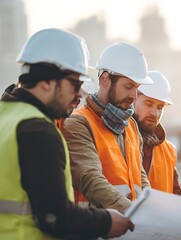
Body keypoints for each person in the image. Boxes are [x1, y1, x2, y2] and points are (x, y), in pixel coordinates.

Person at [0, 28, 133, 239]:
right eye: (75, 83)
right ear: (46, 82)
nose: (80, 93)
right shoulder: (38, 130)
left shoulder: (6, 116)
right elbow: (54, 216)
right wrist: (106, 222)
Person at [62, 42, 152, 214]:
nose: (133, 96)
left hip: (131, 229)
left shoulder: (131, 126)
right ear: (105, 80)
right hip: (97, 229)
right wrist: (134, 214)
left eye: (137, 88)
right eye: (128, 86)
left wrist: (150, 210)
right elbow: (90, 179)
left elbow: (140, 178)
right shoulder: (78, 123)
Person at [133, 70, 181, 195]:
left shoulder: (168, 151)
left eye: (160, 107)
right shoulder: (119, 139)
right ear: (133, 99)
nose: (154, 113)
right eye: (148, 104)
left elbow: (176, 196)